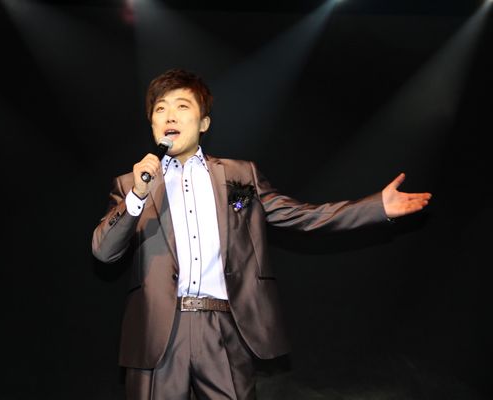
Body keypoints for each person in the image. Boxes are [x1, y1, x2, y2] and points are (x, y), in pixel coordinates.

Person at [91, 68, 432, 400]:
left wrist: (375, 208)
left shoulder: (240, 176)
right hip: (157, 333)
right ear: (152, 123)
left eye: (182, 106)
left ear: (204, 122)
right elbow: (104, 252)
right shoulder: (130, 184)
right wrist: (137, 196)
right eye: (160, 108)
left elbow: (301, 216)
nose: (170, 115)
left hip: (223, 327)